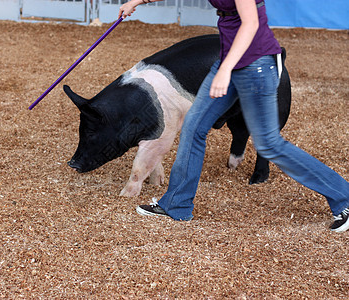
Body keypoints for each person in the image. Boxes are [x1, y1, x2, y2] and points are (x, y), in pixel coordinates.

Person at [118, 0, 349, 232]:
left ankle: (345, 198)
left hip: (255, 64)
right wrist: (136, 1)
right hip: (230, 60)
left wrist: (225, 70)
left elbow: (250, 23)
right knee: (194, 126)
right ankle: (176, 204)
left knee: (269, 144)